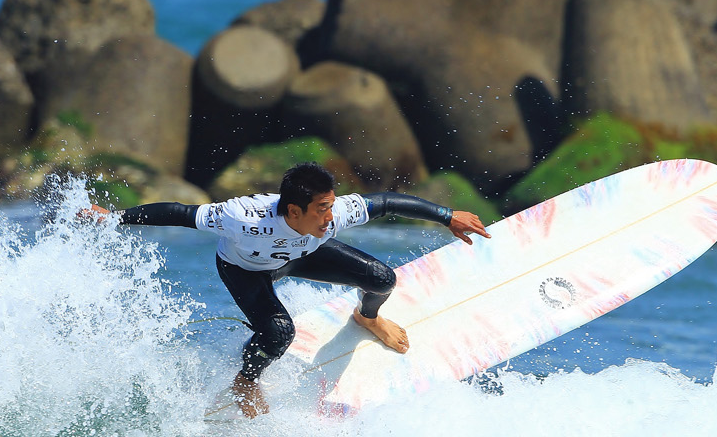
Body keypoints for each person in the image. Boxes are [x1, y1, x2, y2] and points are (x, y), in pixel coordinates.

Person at [87, 163, 491, 417]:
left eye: (331, 206)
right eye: (322, 209)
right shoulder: (241, 217)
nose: (331, 216)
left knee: (382, 279)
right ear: (293, 210)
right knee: (279, 332)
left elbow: (385, 202)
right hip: (245, 269)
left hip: (301, 255)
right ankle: (246, 381)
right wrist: (114, 218)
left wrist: (447, 215)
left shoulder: (331, 215)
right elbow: (179, 213)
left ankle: (366, 316)